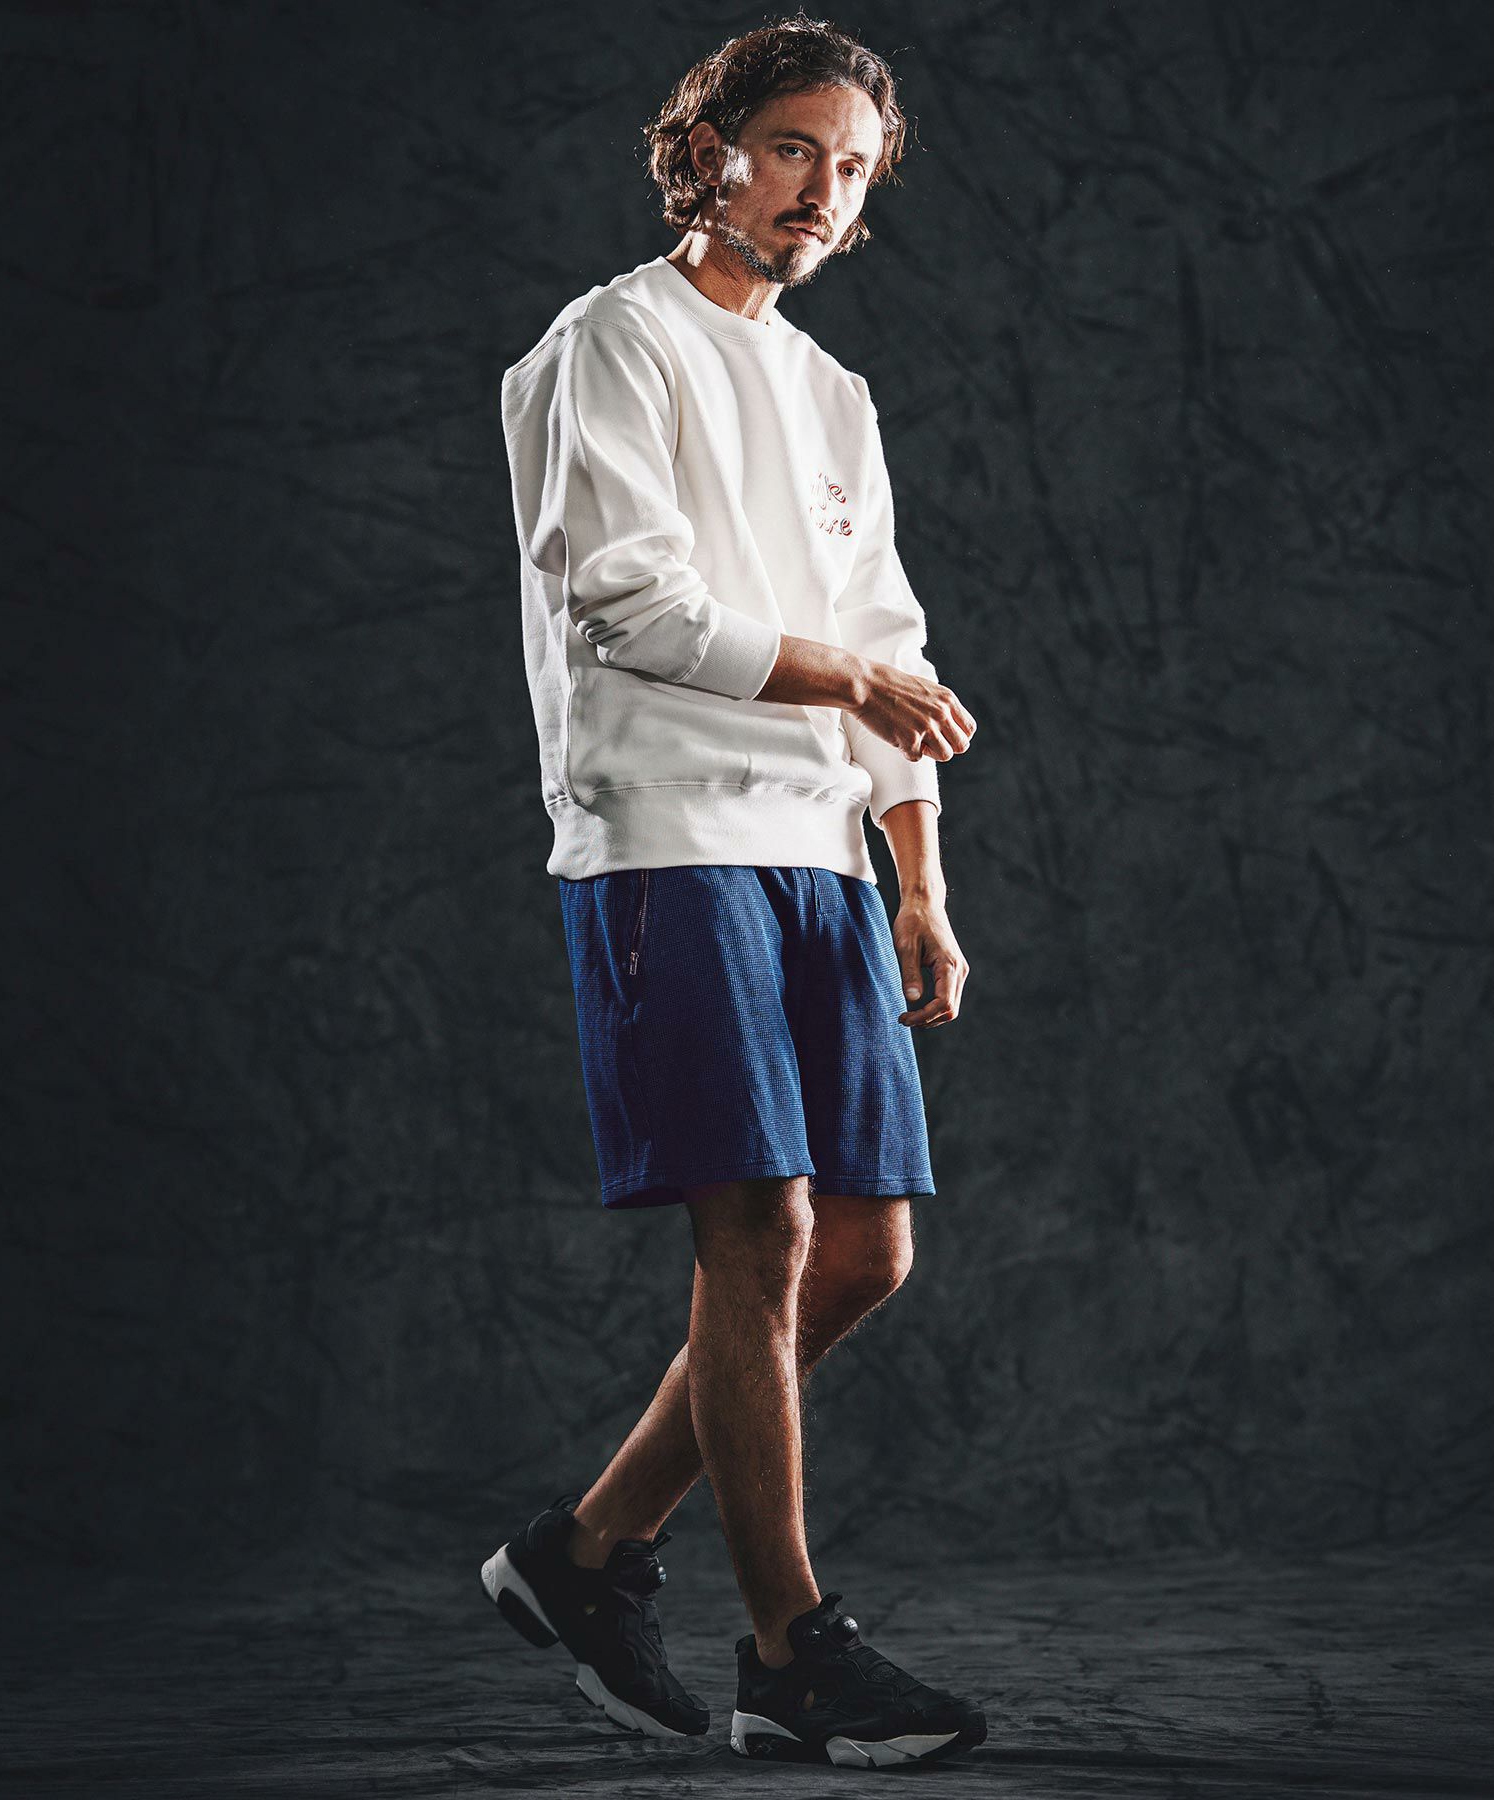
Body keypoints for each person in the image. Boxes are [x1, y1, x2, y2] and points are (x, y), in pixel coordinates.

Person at [483, 13, 982, 1770]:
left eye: (848, 171)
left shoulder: (833, 393)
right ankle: (792, 1655)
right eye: (789, 150)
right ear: (706, 151)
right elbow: (632, 605)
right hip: (669, 836)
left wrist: (916, 879)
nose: (817, 192)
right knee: (759, 1232)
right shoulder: (609, 344)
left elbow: (892, 642)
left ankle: (586, 1553)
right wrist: (851, 684)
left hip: (821, 854)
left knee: (865, 1250)